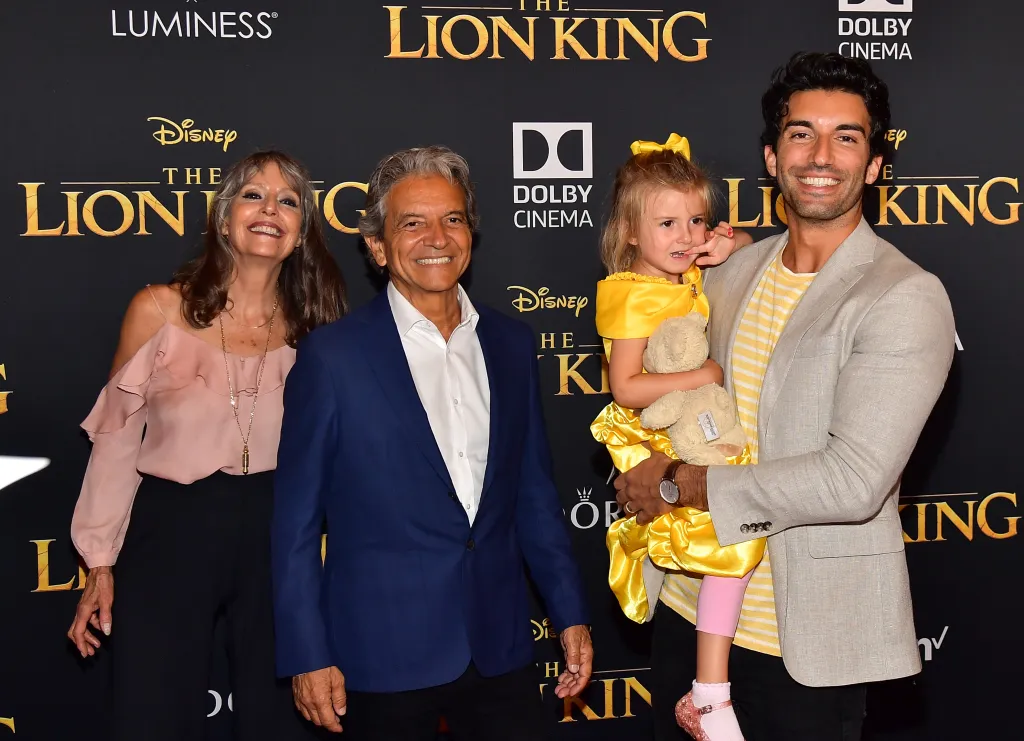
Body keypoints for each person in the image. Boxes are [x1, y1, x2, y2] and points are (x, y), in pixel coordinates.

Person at [613, 52, 956, 741]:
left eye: (847, 136)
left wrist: (679, 486)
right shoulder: (730, 268)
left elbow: (853, 480)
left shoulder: (903, 296)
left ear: (877, 165)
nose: (821, 154)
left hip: (799, 648)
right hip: (688, 612)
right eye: (801, 134)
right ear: (772, 157)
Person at [271, 145, 593, 740]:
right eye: (411, 223)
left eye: (451, 219)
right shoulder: (333, 357)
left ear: (470, 233)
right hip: (380, 654)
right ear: (377, 245)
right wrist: (305, 653)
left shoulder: (512, 343)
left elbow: (534, 497)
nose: (436, 237)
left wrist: (569, 613)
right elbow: (294, 524)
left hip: (500, 647)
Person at [67, 150, 347, 741]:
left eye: (288, 201)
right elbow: (117, 439)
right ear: (223, 219)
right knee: (152, 714)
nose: (270, 209)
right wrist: (99, 559)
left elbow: (337, 458)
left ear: (300, 233)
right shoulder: (158, 310)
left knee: (282, 722)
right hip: (171, 529)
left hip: (281, 534)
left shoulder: (318, 327)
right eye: (253, 195)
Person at [591, 134, 756, 741]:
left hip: (687, 424)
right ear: (630, 231)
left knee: (734, 542)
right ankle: (709, 696)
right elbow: (627, 386)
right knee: (733, 545)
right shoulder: (632, 295)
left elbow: (735, 241)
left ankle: (708, 691)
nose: (686, 236)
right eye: (667, 223)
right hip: (652, 435)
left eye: (695, 220)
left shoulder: (674, 273)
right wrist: (705, 374)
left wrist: (725, 242)